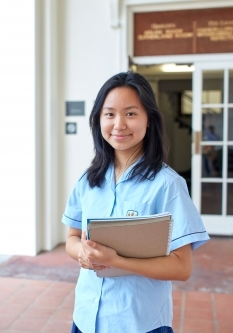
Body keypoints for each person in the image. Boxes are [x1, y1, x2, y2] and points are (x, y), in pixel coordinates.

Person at [62, 71, 209, 333]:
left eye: (130, 113)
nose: (119, 124)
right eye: (109, 114)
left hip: (139, 323)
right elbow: (72, 238)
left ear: (149, 120)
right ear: (98, 120)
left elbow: (182, 267)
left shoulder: (167, 185)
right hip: (86, 318)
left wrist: (116, 261)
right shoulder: (88, 180)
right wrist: (82, 252)